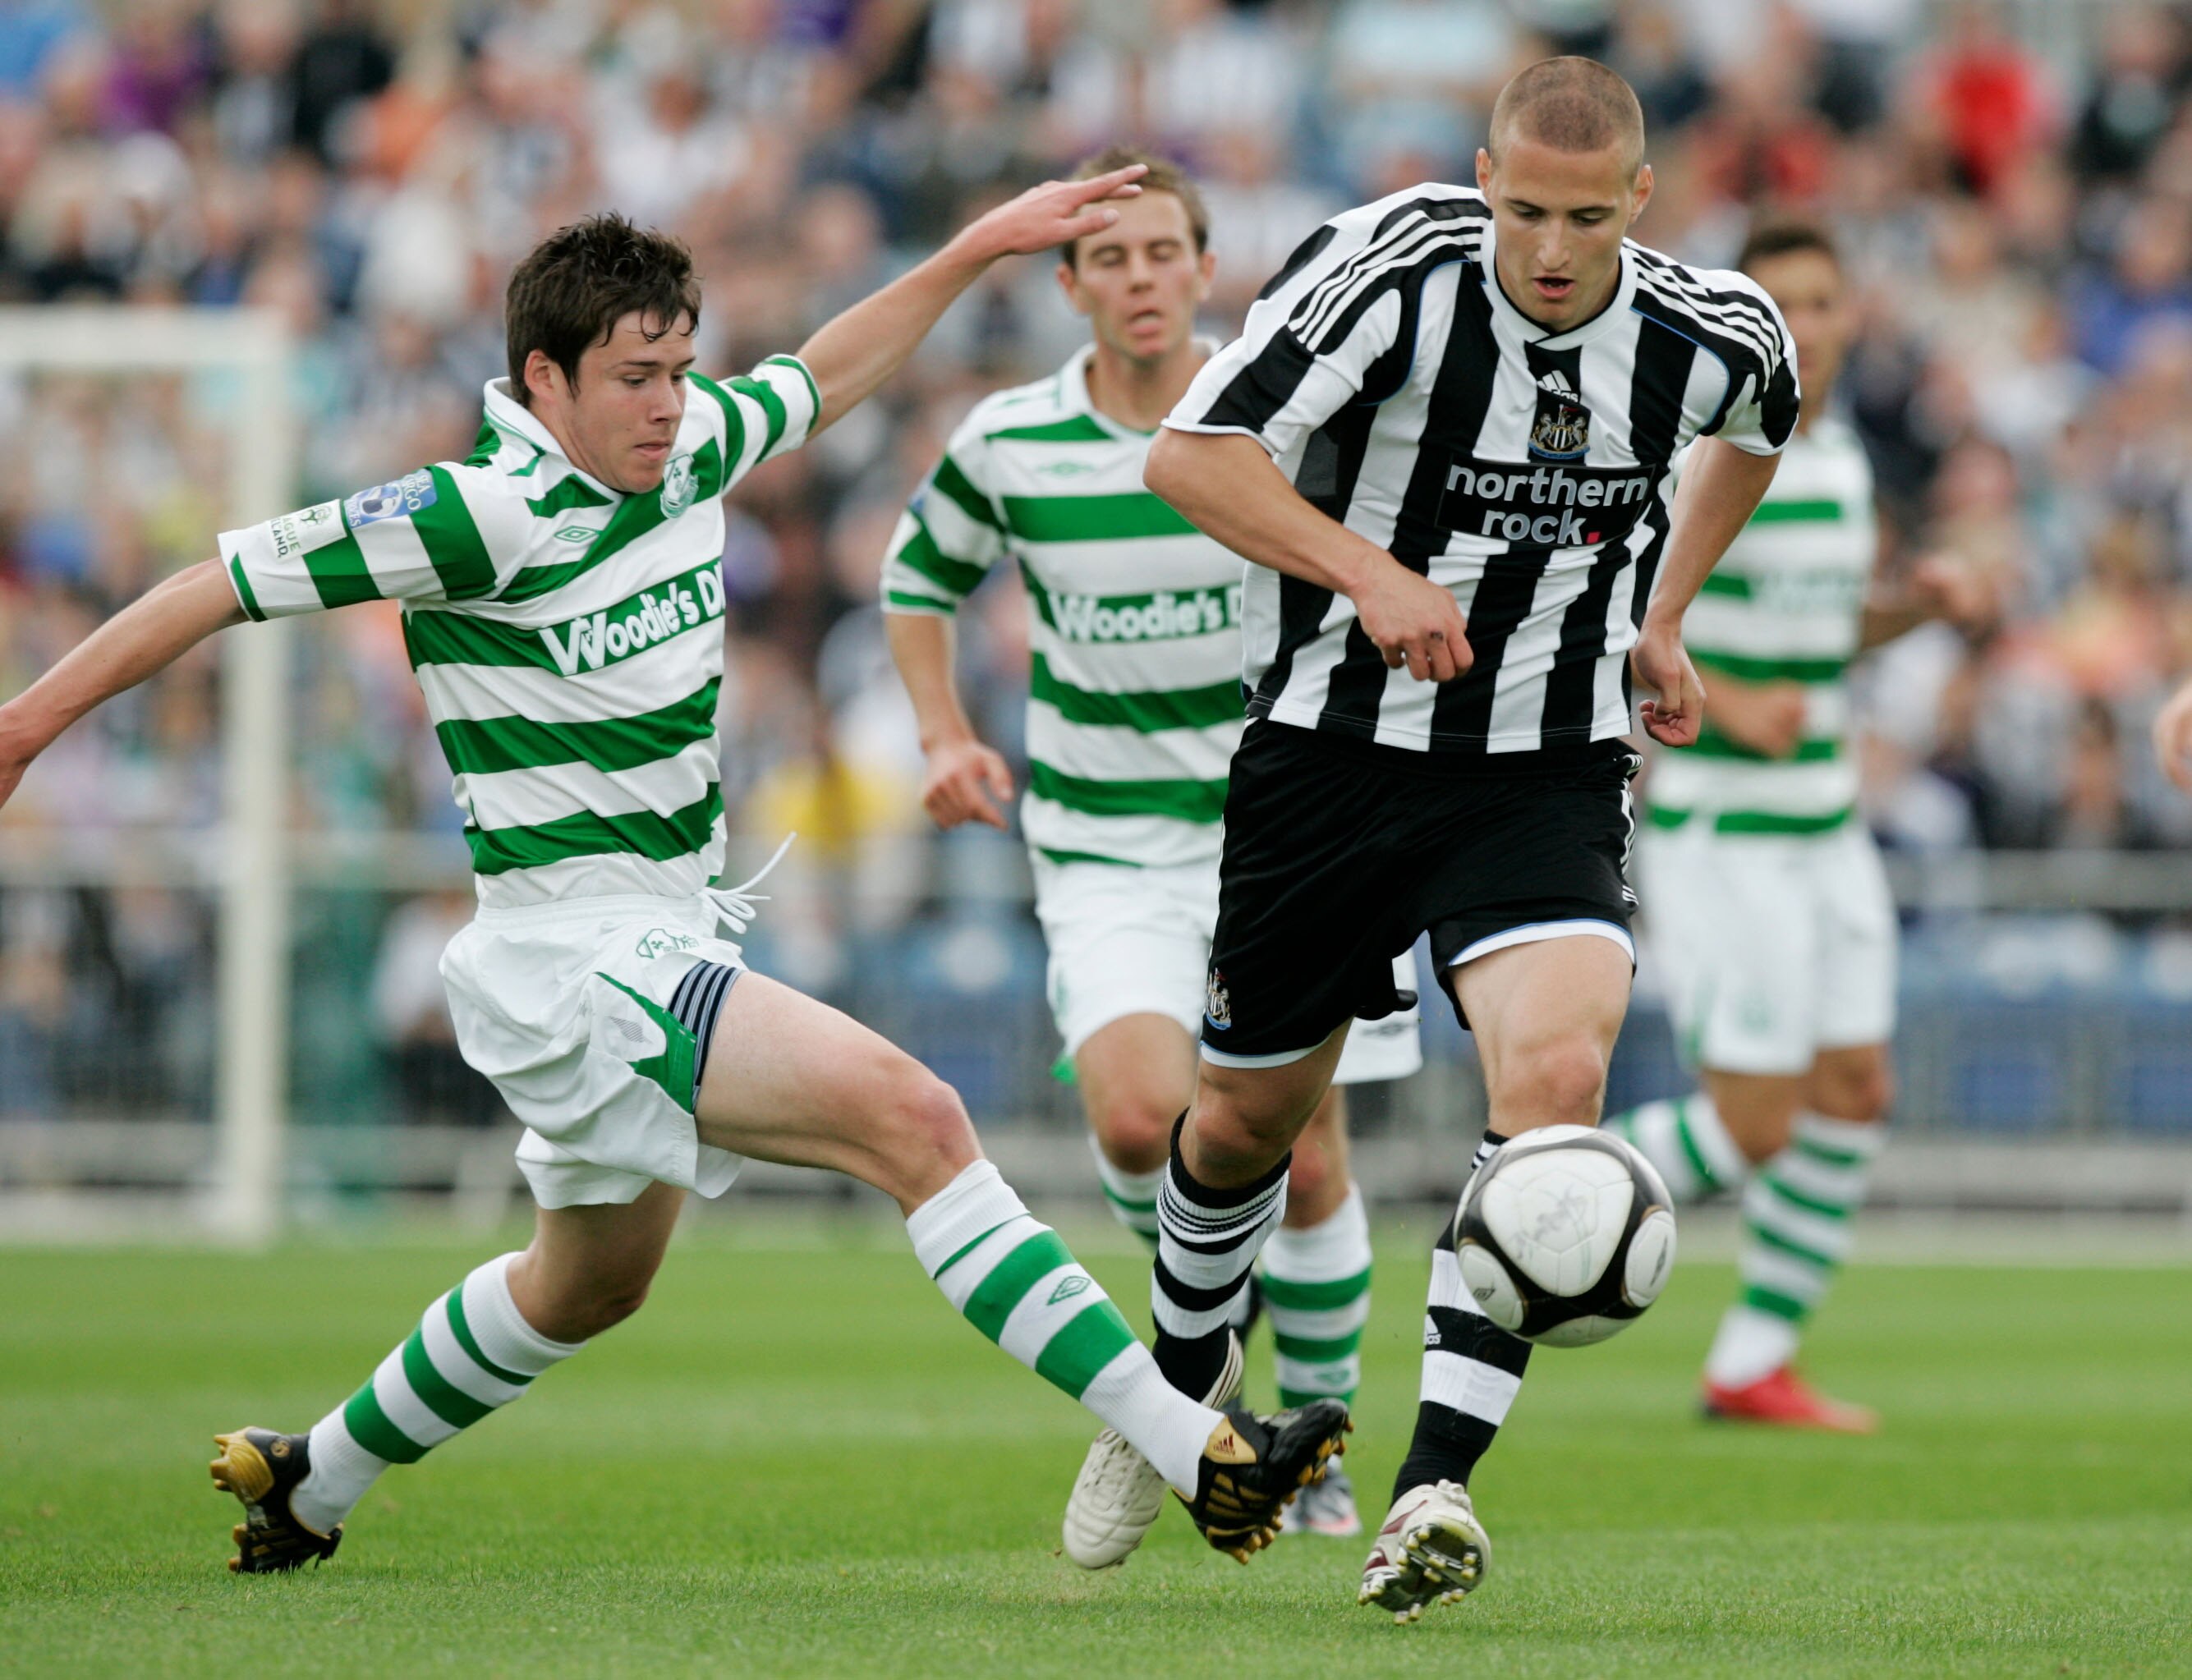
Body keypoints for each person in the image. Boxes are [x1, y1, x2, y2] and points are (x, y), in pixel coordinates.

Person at [0, 187, 1349, 1576]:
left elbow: (823, 373)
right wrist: (25, 727)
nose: (667, 404)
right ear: (545, 380)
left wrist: (968, 250)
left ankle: (310, 1477)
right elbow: (214, 584)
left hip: (662, 928)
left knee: (585, 1285)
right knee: (917, 1118)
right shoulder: (475, 513)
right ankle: (1202, 1451)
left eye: (678, 369)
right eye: (634, 378)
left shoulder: (689, 443)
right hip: (574, 954)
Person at [1114, 57, 1802, 1620]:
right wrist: (1366, 571)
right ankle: (1172, 1399)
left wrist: (1664, 612)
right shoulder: (1391, 272)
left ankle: (1429, 1487)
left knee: (1555, 1091)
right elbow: (1188, 454)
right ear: (1480, 176)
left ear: (1639, 200)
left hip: (1543, 763)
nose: (1547, 248)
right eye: (1520, 208)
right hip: (1330, 753)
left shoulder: (1714, 329)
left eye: (1582, 216)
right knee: (1241, 1125)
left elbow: (1759, 427)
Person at [880, 146, 1422, 1562]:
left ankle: (1315, 1443)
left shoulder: (1275, 420)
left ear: (1202, 266)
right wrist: (942, 731)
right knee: (1136, 1118)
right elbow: (914, 577)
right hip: (1108, 838)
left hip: (1287, 832)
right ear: (1068, 283)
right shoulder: (1011, 440)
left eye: (1160, 252)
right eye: (1106, 258)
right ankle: (1210, 1341)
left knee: (1307, 1163)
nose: (1136, 278)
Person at [1601, 219, 1988, 1434]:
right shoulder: (1689, 454)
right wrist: (1722, 700)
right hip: (1722, 827)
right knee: (1755, 1119)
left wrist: (1911, 612)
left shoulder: (1840, 462)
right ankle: (1522, 1191)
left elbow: (1821, 643)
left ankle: (1750, 1361)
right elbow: (1611, 620)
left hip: (1826, 824)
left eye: (1824, 302)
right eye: (1784, 303)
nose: (1806, 326)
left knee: (1855, 1088)